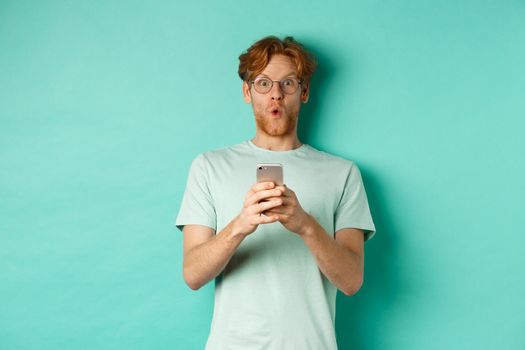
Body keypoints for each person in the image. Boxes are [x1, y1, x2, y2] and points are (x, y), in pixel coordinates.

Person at [176, 35, 376, 350]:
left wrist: (306, 225)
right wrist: (241, 224)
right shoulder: (209, 166)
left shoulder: (343, 172)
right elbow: (193, 274)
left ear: (304, 92)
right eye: (263, 84)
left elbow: (351, 281)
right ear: (247, 92)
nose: (276, 96)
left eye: (288, 84)